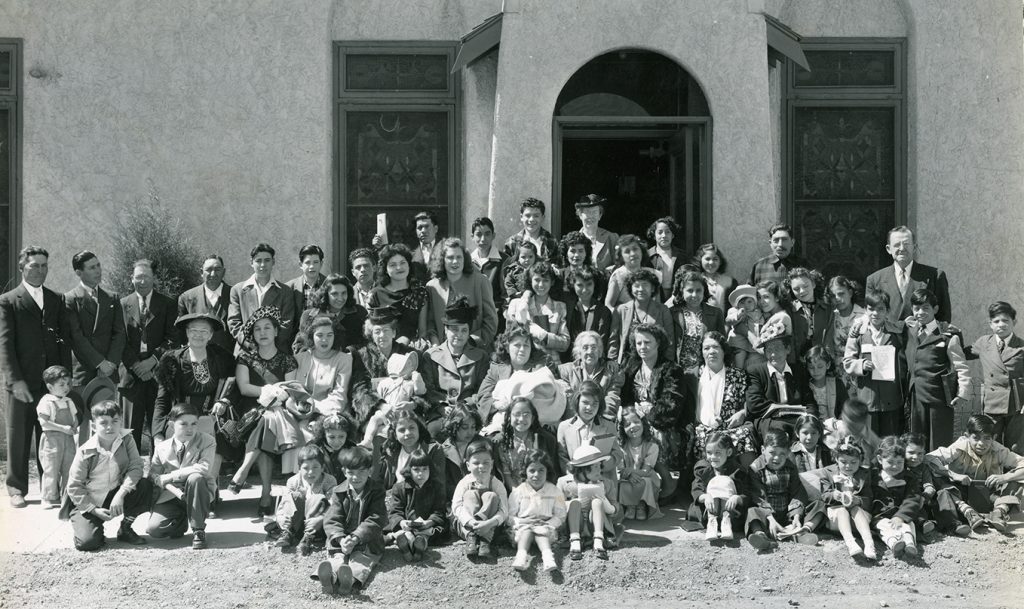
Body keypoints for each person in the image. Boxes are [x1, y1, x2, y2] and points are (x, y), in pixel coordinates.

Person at [0, 246, 72, 507]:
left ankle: (49, 489)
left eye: (43, 266)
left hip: (50, 385)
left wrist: (65, 380)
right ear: (22, 268)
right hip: (21, 383)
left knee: (49, 437)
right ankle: (16, 488)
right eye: (34, 266)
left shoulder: (56, 299)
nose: (39, 270)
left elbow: (63, 343)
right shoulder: (8, 300)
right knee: (18, 436)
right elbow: (4, 344)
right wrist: (14, 380)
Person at [225, 306, 298, 517]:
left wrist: (277, 396)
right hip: (250, 411)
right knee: (264, 421)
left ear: (276, 331)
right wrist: (269, 391)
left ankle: (244, 470)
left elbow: (290, 389)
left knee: (269, 420)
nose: (263, 332)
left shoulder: (287, 359)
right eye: (258, 329)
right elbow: (245, 388)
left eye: (267, 328)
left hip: (280, 411)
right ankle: (266, 493)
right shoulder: (245, 359)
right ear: (253, 334)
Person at [153, 312, 235, 489]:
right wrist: (157, 432)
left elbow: (233, 386)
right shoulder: (172, 360)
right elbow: (162, 399)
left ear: (211, 335)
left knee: (215, 449)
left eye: (204, 331)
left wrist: (225, 400)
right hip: (180, 422)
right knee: (179, 471)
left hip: (211, 420)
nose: (199, 335)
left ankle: (209, 495)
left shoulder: (222, 358)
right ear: (187, 333)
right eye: (194, 330)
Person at [59, 400, 152, 550]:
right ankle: (93, 528)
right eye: (104, 423)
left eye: (115, 421)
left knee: (145, 485)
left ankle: (126, 528)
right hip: (89, 501)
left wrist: (121, 494)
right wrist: (94, 510)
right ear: (94, 426)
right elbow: (74, 486)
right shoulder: (85, 451)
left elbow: (136, 467)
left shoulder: (127, 439)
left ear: (120, 422)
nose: (110, 427)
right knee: (88, 543)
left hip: (115, 494)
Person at [65, 250, 125, 443]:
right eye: (92, 267)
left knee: (106, 422)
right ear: (78, 272)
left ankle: (106, 467)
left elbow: (120, 333)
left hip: (108, 372)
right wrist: (99, 362)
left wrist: (111, 363)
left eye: (98, 265)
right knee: (83, 424)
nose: (98, 271)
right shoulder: (70, 299)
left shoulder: (112, 298)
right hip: (83, 370)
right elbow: (76, 337)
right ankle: (82, 468)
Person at [620, 322, 688, 494]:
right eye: (639, 343)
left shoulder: (671, 369)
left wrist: (648, 413)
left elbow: (671, 405)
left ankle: (667, 483)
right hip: (635, 417)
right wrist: (633, 414)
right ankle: (634, 481)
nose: (642, 347)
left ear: (658, 342)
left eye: (647, 342)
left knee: (653, 432)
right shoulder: (631, 368)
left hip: (663, 421)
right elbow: (625, 398)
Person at [927, 413, 1024, 532]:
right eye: (976, 438)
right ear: (967, 436)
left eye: (986, 438)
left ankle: (998, 513)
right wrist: (953, 475)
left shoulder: (998, 449)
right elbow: (929, 458)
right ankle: (968, 512)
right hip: (962, 495)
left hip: (990, 496)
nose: (981, 444)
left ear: (993, 438)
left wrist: (1005, 477)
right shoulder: (959, 447)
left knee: (1016, 480)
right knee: (938, 480)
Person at [120, 259, 178, 449]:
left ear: (154, 279)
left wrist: (153, 360)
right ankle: (131, 473)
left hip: (158, 375)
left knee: (158, 428)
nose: (142, 281)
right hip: (131, 375)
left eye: (146, 277)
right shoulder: (122, 304)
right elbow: (118, 340)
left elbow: (173, 338)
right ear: (131, 279)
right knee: (129, 430)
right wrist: (136, 365)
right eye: (138, 277)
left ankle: (157, 473)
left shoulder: (168, 304)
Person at [313, 446, 387, 595]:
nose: (356, 477)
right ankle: (330, 576)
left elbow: (376, 518)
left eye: (361, 472)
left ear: (370, 471)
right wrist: (340, 539)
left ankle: (350, 580)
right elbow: (333, 518)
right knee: (337, 556)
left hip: (366, 540)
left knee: (361, 559)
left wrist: (356, 537)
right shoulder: (338, 491)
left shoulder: (377, 491)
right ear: (344, 471)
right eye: (351, 472)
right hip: (343, 540)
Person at [903, 288, 971, 450]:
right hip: (916, 397)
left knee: (939, 442)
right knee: (918, 442)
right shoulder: (910, 330)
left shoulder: (947, 335)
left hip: (939, 398)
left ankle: (939, 475)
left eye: (925, 308)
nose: (920, 312)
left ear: (935, 309)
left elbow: (961, 366)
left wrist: (962, 393)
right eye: (916, 308)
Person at [287, 315, 379, 431]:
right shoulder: (299, 359)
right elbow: (293, 390)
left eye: (329, 335)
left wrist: (313, 407)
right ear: (312, 337)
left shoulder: (344, 359)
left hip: (331, 415)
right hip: (299, 413)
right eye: (319, 335)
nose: (325, 340)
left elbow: (339, 396)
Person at [147, 404, 217, 550]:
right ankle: (182, 520)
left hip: (198, 491)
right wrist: (157, 479)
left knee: (195, 477)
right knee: (155, 530)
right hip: (171, 495)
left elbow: (203, 468)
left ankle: (198, 529)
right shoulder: (162, 447)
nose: (190, 429)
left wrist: (171, 475)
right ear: (172, 425)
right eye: (183, 424)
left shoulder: (207, 441)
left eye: (194, 424)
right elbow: (154, 473)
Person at [685, 331, 757, 463]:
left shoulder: (738, 375)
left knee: (744, 436)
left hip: (732, 428)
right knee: (699, 439)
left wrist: (742, 412)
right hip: (703, 429)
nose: (711, 351)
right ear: (702, 352)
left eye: (716, 347)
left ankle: (750, 480)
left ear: (724, 351)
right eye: (706, 348)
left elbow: (749, 401)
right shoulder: (692, 377)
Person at [843, 289, 906, 437]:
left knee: (889, 441)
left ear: (887, 311)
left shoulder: (896, 333)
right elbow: (847, 361)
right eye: (871, 309)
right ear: (865, 310)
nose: (875, 313)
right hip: (867, 399)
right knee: (868, 441)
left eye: (880, 309)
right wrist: (861, 365)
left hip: (891, 398)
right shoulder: (858, 334)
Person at [804, 436, 876, 560]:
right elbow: (824, 495)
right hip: (836, 518)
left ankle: (869, 543)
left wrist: (858, 500)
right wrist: (834, 495)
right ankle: (850, 543)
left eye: (853, 462)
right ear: (836, 459)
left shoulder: (864, 474)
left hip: (858, 519)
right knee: (842, 510)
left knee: (855, 509)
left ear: (860, 460)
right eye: (843, 462)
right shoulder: (828, 472)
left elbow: (869, 497)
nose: (848, 466)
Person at [965, 301, 1024, 453]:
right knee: (991, 443)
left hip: (1016, 404)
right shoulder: (984, 342)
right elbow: (963, 352)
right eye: (996, 321)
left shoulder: (1022, 346)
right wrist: (952, 335)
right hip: (992, 404)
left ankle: (1013, 476)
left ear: (1014, 322)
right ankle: (993, 475)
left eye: (1005, 320)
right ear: (990, 324)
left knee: (1015, 447)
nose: (1001, 325)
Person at [865, 225, 951, 324]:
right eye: (897, 245)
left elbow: (944, 318)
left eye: (906, 244)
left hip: (923, 338)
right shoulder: (875, 279)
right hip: (888, 338)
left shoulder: (935, 276)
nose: (902, 248)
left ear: (914, 247)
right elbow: (871, 317)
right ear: (888, 249)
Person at [746, 429, 816, 549]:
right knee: (752, 511)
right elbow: (759, 497)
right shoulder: (755, 469)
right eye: (772, 452)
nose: (777, 458)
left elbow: (797, 491)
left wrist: (796, 516)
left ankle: (802, 532)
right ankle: (761, 536)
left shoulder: (790, 467)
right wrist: (770, 518)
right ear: (763, 450)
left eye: (782, 454)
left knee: (817, 505)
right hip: (767, 515)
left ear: (788, 453)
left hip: (787, 513)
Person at [744, 323, 816, 439]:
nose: (773, 354)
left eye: (777, 348)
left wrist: (812, 417)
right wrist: (780, 409)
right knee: (779, 430)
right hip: (769, 420)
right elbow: (754, 404)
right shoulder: (756, 371)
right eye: (769, 350)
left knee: (811, 428)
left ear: (787, 349)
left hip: (797, 419)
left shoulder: (798, 371)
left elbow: (809, 401)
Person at [426, 237, 498, 348]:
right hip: (441, 351)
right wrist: (435, 344)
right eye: (450, 257)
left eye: (459, 257)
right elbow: (430, 322)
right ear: (442, 260)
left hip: (474, 350)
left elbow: (491, 321)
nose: (455, 261)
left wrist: (472, 342)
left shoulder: (480, 281)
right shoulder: (432, 286)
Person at [421, 297, 489, 410]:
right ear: (446, 330)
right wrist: (442, 406)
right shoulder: (430, 356)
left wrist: (466, 405)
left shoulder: (481, 356)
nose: (459, 334)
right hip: (440, 412)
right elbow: (429, 390)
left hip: (469, 412)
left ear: (469, 332)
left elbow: (481, 390)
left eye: (464, 330)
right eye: (454, 329)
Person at [227, 243, 296, 353]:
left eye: (267, 260)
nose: (263, 265)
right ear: (251, 262)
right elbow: (234, 322)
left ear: (273, 262)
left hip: (276, 351)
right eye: (258, 261)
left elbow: (286, 323)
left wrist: (268, 346)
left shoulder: (285, 291)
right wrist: (248, 343)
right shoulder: (238, 290)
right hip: (246, 351)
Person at [507, 449, 567, 572]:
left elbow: (561, 515)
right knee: (527, 531)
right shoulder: (518, 491)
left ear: (547, 471)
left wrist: (548, 523)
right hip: (523, 528)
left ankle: (548, 557)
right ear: (525, 471)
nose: (536, 475)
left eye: (541, 470)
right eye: (532, 470)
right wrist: (523, 522)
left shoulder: (556, 491)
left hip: (545, 527)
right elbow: (508, 516)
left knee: (541, 532)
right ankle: (521, 556)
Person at [690, 433, 757, 542]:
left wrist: (737, 498)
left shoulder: (738, 471)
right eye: (709, 453)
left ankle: (726, 521)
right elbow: (696, 488)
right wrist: (705, 497)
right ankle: (712, 523)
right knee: (717, 482)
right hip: (708, 510)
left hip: (731, 511)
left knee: (724, 481)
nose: (713, 457)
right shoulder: (703, 470)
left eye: (718, 453)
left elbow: (747, 492)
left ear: (729, 452)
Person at [557, 444, 618, 560]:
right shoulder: (563, 483)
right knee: (574, 503)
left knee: (597, 502)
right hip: (574, 524)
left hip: (595, 523)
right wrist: (572, 503)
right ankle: (575, 543)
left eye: (600, 465)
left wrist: (605, 502)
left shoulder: (607, 483)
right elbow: (556, 507)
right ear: (582, 469)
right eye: (595, 467)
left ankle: (598, 542)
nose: (599, 469)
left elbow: (616, 510)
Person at [386, 447, 447, 562]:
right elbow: (395, 510)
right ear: (409, 470)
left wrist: (430, 521)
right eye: (416, 469)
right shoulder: (400, 488)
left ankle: (417, 545)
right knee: (404, 532)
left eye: (425, 469)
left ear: (430, 470)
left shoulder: (436, 487)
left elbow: (439, 510)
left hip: (427, 525)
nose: (421, 474)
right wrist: (401, 521)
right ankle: (408, 544)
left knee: (430, 533)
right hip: (407, 525)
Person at [451, 439, 509, 559]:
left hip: (490, 526)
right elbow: (456, 506)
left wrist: (488, 524)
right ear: (468, 465)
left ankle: (484, 540)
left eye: (486, 463)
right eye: (476, 463)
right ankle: (472, 537)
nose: (481, 466)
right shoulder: (464, 482)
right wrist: (472, 523)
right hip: (468, 527)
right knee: (470, 495)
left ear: (492, 464)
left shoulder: (496, 483)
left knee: (491, 496)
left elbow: (504, 511)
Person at [274, 445, 337, 555]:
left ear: (322, 467)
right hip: (298, 522)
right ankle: (287, 533)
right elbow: (284, 503)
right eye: (306, 468)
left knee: (318, 498)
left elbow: (333, 505)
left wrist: (321, 519)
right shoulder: (293, 481)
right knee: (294, 496)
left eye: (315, 467)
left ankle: (308, 538)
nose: (310, 472)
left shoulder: (329, 481)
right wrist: (281, 518)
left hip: (318, 524)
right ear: (299, 468)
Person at [901, 431, 966, 537]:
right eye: (911, 453)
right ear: (902, 452)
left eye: (920, 453)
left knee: (943, 493)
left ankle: (952, 523)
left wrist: (925, 495)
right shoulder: (900, 467)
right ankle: (922, 523)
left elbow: (929, 485)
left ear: (924, 452)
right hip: (911, 503)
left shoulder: (924, 467)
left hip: (925, 500)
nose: (916, 457)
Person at [504, 261, 569, 365]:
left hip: (551, 364)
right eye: (537, 280)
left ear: (552, 282)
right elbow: (508, 337)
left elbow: (565, 343)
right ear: (530, 280)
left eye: (545, 280)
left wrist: (544, 336)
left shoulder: (560, 307)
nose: (541, 284)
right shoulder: (517, 305)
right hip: (525, 364)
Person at [869, 436, 924, 559]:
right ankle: (894, 543)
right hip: (880, 516)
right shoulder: (873, 477)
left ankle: (910, 543)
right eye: (890, 462)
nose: (895, 466)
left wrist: (901, 516)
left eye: (900, 462)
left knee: (908, 524)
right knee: (883, 527)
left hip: (901, 513)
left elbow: (912, 499)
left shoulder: (909, 478)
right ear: (879, 459)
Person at [372, 409, 447, 497]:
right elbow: (381, 482)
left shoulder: (433, 450)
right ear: (395, 435)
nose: (407, 433)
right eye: (402, 430)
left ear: (418, 429)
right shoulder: (391, 452)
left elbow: (437, 483)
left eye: (412, 428)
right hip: (395, 502)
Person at [492, 397, 560, 493]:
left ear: (532, 418)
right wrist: (519, 494)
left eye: (526, 414)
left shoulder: (545, 439)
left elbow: (551, 471)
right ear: (509, 417)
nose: (521, 419)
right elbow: (506, 475)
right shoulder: (501, 442)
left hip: (542, 491)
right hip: (513, 493)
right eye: (517, 414)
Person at [369, 243, 430, 348]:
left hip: (410, 349)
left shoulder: (419, 293)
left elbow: (422, 332)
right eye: (392, 265)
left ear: (409, 265)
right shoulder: (376, 294)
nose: (399, 267)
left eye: (402, 263)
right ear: (385, 269)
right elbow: (371, 330)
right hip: (382, 347)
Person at [607, 269, 674, 365]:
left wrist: (667, 364)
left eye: (645, 285)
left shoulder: (663, 310)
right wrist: (612, 361)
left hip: (656, 362)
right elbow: (613, 340)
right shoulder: (620, 310)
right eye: (636, 286)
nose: (641, 289)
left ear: (653, 288)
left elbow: (670, 340)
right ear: (631, 288)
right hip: (627, 363)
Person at [36, 365, 79, 508]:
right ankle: (47, 497)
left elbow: (75, 418)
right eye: (61, 384)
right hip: (51, 440)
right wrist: (63, 428)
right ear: (50, 386)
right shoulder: (46, 401)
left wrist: (74, 426)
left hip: (68, 440)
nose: (66, 387)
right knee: (51, 469)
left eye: (68, 384)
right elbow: (44, 422)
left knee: (69, 468)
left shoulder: (69, 401)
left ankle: (66, 497)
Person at [294, 274, 368, 353]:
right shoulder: (309, 316)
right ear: (325, 294)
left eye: (344, 293)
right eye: (334, 294)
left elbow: (368, 342)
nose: (340, 298)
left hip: (350, 362)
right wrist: (312, 353)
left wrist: (351, 351)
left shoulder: (359, 312)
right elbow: (299, 345)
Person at [557, 331, 624, 419]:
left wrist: (599, 422)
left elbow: (612, 399)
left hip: (601, 421)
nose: (590, 352)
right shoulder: (565, 371)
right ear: (579, 352)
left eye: (593, 347)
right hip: (574, 422)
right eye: (585, 348)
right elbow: (569, 402)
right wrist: (580, 421)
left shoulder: (611, 370)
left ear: (600, 352)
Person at [177, 254, 234, 353]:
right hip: (197, 360)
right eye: (209, 270)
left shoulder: (235, 295)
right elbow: (180, 334)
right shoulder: (187, 298)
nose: (213, 274)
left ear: (223, 272)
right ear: (201, 272)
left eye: (217, 269)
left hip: (229, 361)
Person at [670, 270, 725, 370]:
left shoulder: (716, 313)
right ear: (682, 292)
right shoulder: (672, 313)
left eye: (698, 290)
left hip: (705, 369)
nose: (694, 295)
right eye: (690, 291)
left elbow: (722, 344)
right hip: (679, 370)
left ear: (704, 291)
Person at [616, 406, 662, 521]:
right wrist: (629, 474)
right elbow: (621, 469)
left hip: (646, 477)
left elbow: (646, 471)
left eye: (636, 422)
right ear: (622, 429)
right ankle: (631, 505)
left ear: (643, 423)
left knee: (645, 481)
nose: (633, 426)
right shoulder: (621, 447)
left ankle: (641, 504)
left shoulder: (652, 446)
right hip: (628, 478)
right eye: (627, 425)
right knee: (622, 483)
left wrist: (631, 471)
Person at [564, 266, 612, 356]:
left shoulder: (603, 311)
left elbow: (602, 342)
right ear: (573, 285)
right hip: (568, 361)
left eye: (589, 284)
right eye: (580, 285)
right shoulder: (567, 308)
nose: (584, 290)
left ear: (595, 285)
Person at [502, 197, 560, 268]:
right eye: (528, 215)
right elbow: (506, 270)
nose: (531, 219)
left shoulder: (551, 241)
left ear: (543, 217)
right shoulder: (511, 243)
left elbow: (557, 269)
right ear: (521, 217)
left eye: (536, 216)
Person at [824, 276, 865, 374]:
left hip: (858, 368)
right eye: (833, 296)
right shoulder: (831, 316)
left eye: (841, 294)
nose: (837, 299)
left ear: (850, 293)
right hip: (836, 370)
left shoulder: (863, 316)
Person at [604, 234, 658, 309]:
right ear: (621, 256)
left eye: (635, 249)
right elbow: (608, 305)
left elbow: (657, 304)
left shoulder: (651, 274)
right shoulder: (619, 275)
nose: (632, 254)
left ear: (642, 251)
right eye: (627, 251)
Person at [469, 217, 507, 321]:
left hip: (497, 316)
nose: (483, 239)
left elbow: (507, 293)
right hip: (472, 317)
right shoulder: (467, 261)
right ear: (472, 237)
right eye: (478, 234)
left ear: (493, 236)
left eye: (487, 234)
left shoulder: (504, 260)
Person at [787, 267, 829, 357]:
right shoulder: (790, 310)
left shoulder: (826, 307)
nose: (802, 291)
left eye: (806, 286)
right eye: (796, 289)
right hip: (797, 360)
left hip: (821, 359)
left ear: (813, 284)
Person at [804, 345, 848, 422]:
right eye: (811, 367)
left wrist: (840, 422)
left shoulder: (837, 384)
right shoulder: (806, 386)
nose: (816, 371)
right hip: (813, 425)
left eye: (820, 367)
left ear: (827, 365)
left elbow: (845, 408)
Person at [574, 194, 618, 270]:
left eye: (594, 212)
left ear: (600, 215)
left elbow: (620, 265)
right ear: (580, 215)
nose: (590, 216)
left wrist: (606, 272)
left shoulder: (611, 238)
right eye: (587, 212)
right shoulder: (573, 240)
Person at [725, 284, 762, 371]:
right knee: (739, 356)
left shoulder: (757, 311)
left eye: (749, 302)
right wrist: (738, 315)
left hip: (752, 341)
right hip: (739, 342)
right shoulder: (735, 311)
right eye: (742, 303)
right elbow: (729, 319)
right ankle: (738, 373)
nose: (746, 305)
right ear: (737, 304)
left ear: (755, 302)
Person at [646, 217, 685, 302]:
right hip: (654, 299)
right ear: (654, 235)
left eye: (667, 232)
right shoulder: (647, 256)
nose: (664, 235)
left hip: (675, 298)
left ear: (673, 235)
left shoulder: (681, 256)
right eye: (660, 232)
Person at [286, 244, 328, 316]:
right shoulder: (289, 288)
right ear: (300, 264)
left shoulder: (330, 285)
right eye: (308, 262)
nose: (312, 266)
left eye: (315, 262)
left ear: (321, 264)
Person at [695, 242, 736, 312]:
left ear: (720, 261)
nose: (711, 262)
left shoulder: (729, 282)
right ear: (700, 260)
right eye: (707, 259)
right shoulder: (695, 280)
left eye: (715, 259)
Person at [409, 210, 445, 285]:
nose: (423, 231)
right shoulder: (410, 251)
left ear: (436, 229)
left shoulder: (445, 248)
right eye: (420, 227)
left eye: (427, 226)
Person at [502, 241, 537, 306]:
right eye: (523, 257)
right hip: (518, 298)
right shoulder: (514, 270)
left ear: (535, 257)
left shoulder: (537, 270)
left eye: (530, 257)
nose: (527, 259)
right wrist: (513, 292)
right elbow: (508, 282)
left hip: (535, 298)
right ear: (518, 258)